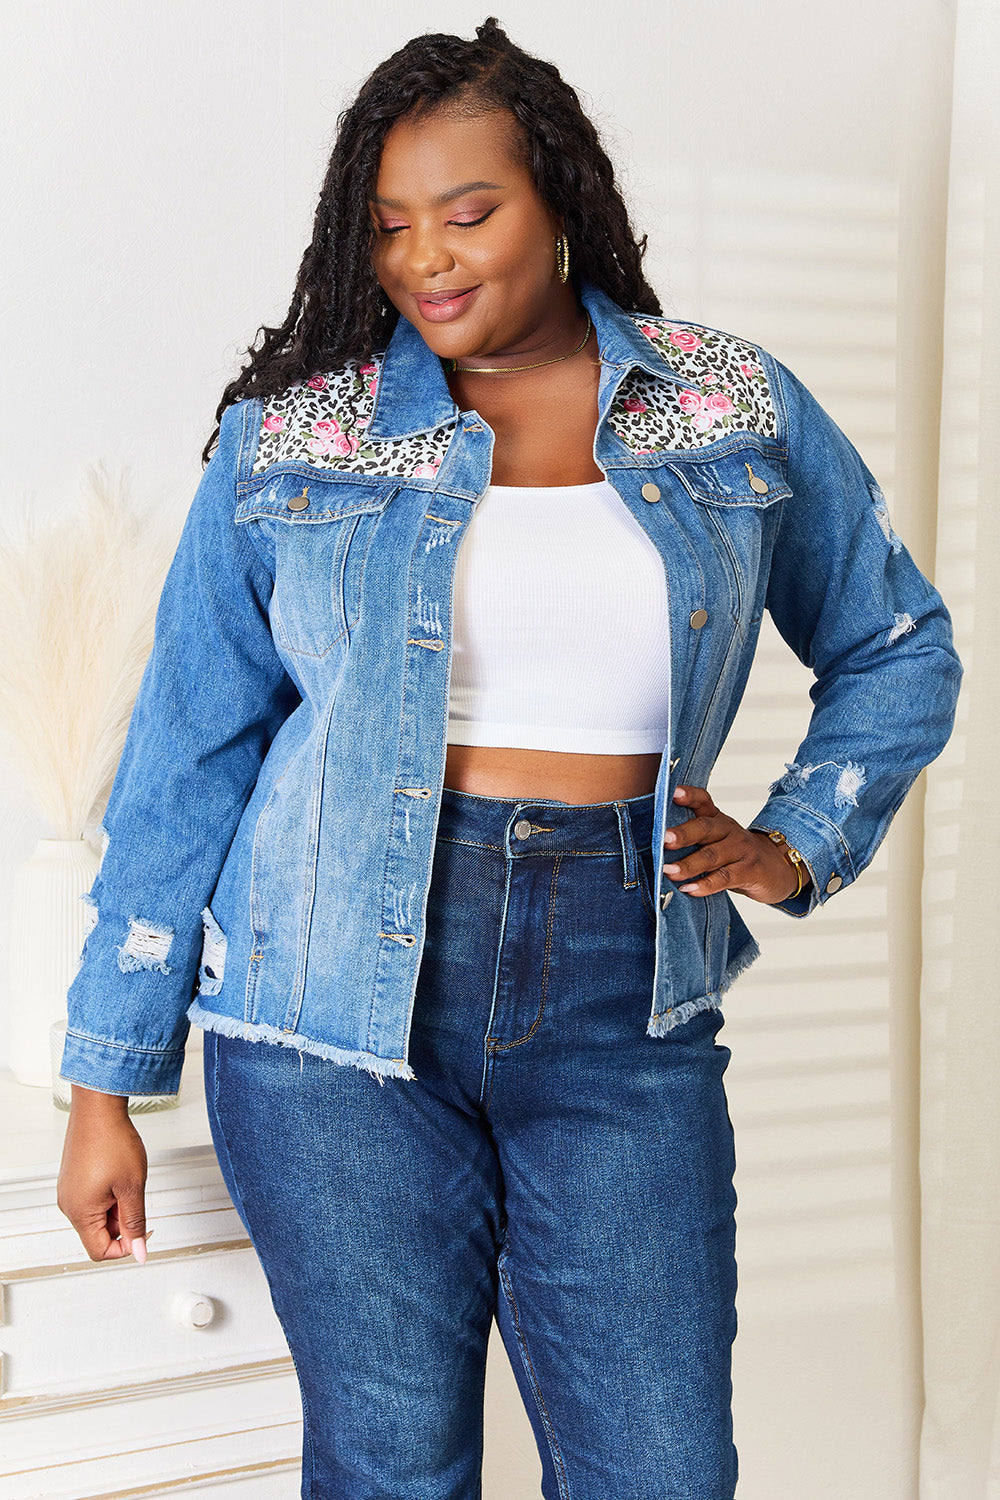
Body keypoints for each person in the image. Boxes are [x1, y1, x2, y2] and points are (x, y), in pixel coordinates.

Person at [55, 18, 961, 1500]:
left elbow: (899, 642)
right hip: (326, 1019)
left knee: (659, 1471)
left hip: (622, 995)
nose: (428, 258)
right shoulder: (295, 443)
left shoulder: (727, 407)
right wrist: (106, 1080)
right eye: (393, 226)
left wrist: (801, 835)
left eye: (469, 213)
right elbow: (185, 765)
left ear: (560, 201)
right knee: (393, 1467)